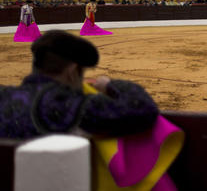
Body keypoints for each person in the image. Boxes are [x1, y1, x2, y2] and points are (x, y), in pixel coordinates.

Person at [0, 30, 159, 139]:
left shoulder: (3, 96)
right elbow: (143, 108)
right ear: (73, 71)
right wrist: (110, 85)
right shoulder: (66, 105)